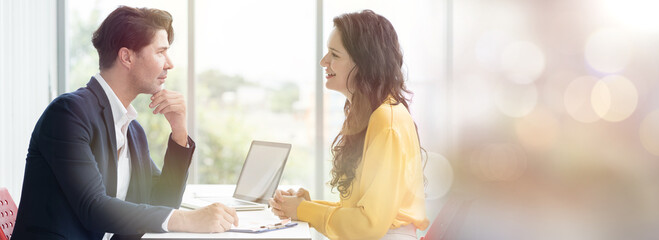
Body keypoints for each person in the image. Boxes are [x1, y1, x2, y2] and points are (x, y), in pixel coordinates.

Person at [12, 6, 238, 240]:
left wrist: (179, 132)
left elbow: (162, 202)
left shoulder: (133, 131)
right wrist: (188, 219)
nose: (169, 63)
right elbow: (93, 208)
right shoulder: (68, 114)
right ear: (127, 57)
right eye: (160, 52)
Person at [269, 10, 429, 240]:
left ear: (364, 63)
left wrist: (304, 210)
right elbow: (362, 213)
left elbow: (368, 226)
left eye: (334, 54)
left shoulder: (387, 121)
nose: (323, 62)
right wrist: (306, 206)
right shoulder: (372, 114)